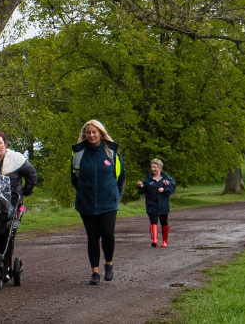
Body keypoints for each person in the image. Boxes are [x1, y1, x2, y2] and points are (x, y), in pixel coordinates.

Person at [70, 120, 126, 285]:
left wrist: (118, 194)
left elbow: (121, 176)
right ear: (85, 134)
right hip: (86, 201)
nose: (91, 135)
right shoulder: (78, 153)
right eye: (88, 132)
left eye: (95, 132)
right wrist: (83, 192)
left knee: (107, 233)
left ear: (101, 133)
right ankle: (95, 272)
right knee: (92, 236)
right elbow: (74, 178)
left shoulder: (111, 152)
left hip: (108, 199)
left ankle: (108, 264)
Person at [0, 131, 36, 279]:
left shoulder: (16, 159)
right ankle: (3, 264)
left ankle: (6, 266)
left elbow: (31, 174)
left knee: (9, 233)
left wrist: (26, 191)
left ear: (5, 145)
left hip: (13, 204)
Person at [137, 158, 176, 247]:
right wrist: (141, 186)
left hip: (163, 204)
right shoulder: (148, 178)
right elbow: (142, 191)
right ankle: (154, 240)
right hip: (151, 204)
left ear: (160, 168)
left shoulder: (166, 178)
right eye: (152, 167)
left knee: (164, 222)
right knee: (153, 221)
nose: (153, 169)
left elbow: (172, 188)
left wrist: (164, 189)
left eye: (155, 167)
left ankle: (164, 241)